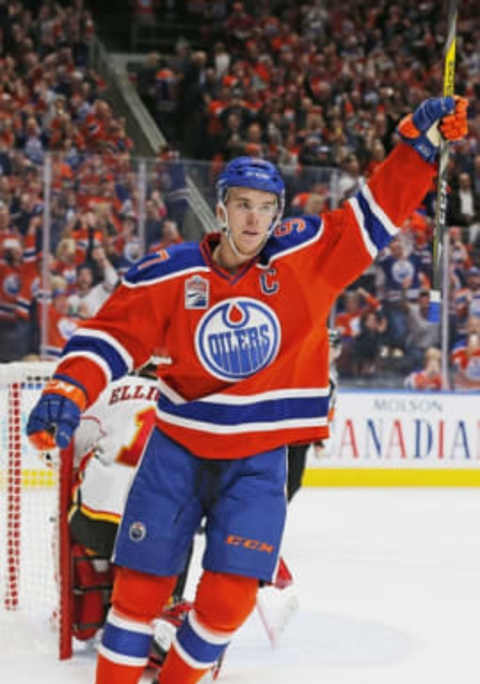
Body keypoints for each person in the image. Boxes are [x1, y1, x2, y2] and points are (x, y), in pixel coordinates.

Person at [26, 96, 467, 684]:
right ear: (222, 210)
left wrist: (417, 147)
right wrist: (67, 389)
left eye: (265, 207)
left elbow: (375, 212)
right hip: (178, 447)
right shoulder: (170, 271)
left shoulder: (308, 257)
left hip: (259, 457)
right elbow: (110, 337)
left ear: (278, 212)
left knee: (227, 605)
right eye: (242, 206)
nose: (254, 220)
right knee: (136, 598)